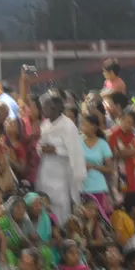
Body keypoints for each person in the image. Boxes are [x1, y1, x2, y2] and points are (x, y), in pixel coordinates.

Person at [35, 95, 86, 225]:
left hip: (61, 174)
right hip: (45, 171)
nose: (44, 109)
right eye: (44, 106)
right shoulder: (45, 125)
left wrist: (56, 150)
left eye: (47, 106)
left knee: (60, 206)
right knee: (45, 204)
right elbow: (39, 145)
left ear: (56, 108)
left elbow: (75, 152)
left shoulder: (68, 126)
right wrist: (41, 149)